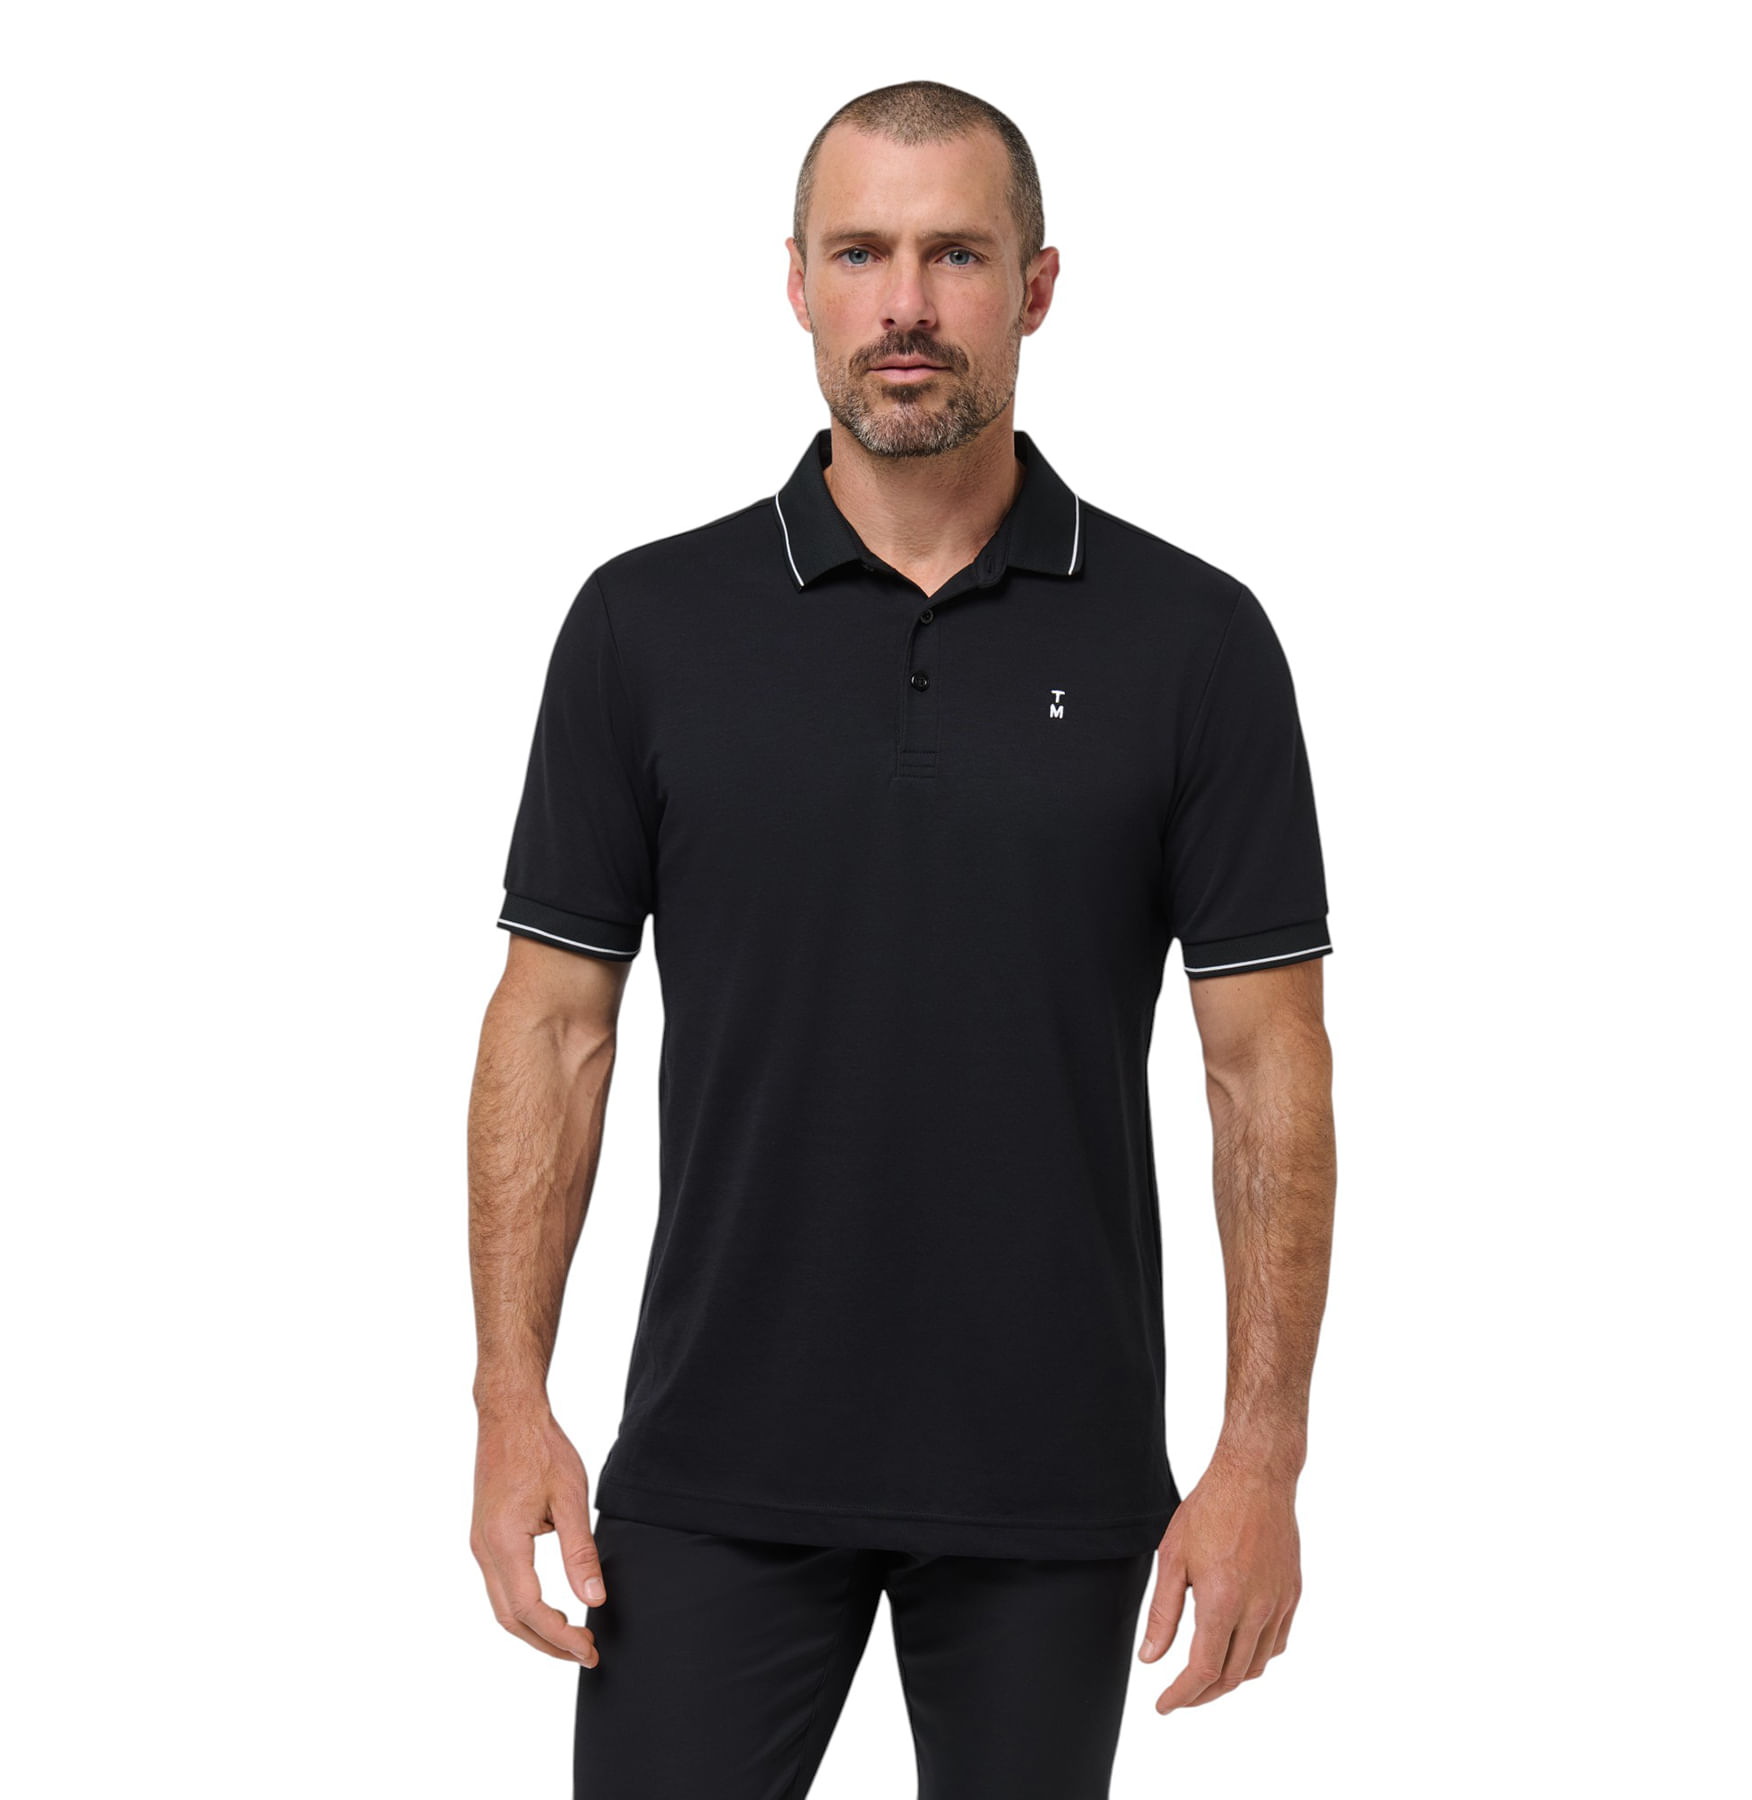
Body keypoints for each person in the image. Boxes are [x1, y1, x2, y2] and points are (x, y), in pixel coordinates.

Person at [467, 78, 1336, 1799]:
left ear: (1037, 286)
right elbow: (552, 1026)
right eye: (862, 253)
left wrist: (1264, 1456)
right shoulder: (646, 625)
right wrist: (509, 1400)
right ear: (797, 282)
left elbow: (1267, 1070)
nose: (908, 304)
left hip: (1053, 1478)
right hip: (714, 1460)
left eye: (958, 254)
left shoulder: (1194, 642)